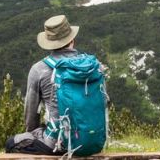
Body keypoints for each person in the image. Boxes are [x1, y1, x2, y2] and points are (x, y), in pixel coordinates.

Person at [6, 15, 108, 156]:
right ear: (72, 40)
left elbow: (31, 115)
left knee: (11, 143)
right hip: (93, 142)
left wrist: (34, 133)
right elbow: (103, 102)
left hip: (57, 145)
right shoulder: (94, 67)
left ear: (49, 43)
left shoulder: (39, 69)